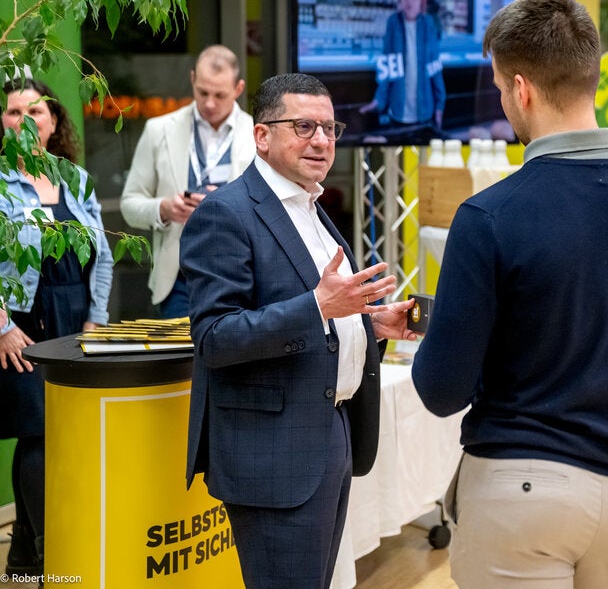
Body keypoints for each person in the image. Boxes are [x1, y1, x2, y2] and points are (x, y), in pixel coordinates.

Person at [411, 0, 608, 589]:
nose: (505, 102)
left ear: (522, 88)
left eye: (502, 88)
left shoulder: (489, 216)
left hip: (518, 484)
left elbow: (440, 388)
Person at [180, 72, 418, 589]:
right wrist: (319, 306)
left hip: (329, 433)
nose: (322, 141)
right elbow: (215, 337)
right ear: (262, 135)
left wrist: (370, 325)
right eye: (304, 126)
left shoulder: (312, 207)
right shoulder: (227, 214)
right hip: (273, 455)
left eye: (331, 129)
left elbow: (321, 318)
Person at [1, 78, 113, 576]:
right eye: (12, 112)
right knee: (39, 431)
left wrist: (96, 319)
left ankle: (24, 550)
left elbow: (104, 255)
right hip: (21, 324)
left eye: (35, 112)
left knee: (58, 431)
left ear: (53, 122)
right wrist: (1, 325)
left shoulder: (76, 179)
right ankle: (51, 556)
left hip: (74, 319)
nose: (24, 121)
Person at [121, 44, 255, 318]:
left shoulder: (257, 134)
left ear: (238, 89)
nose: (209, 103)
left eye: (220, 95)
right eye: (203, 92)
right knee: (179, 361)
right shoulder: (158, 130)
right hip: (178, 280)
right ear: (192, 79)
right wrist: (164, 209)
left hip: (242, 276)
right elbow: (129, 204)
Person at [358, 0, 446, 140]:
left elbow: (435, 66)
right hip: (397, 111)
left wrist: (440, 105)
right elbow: (388, 65)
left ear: (421, 0)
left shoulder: (428, 24)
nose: (409, 1)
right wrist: (378, 100)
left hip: (424, 112)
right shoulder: (393, 23)